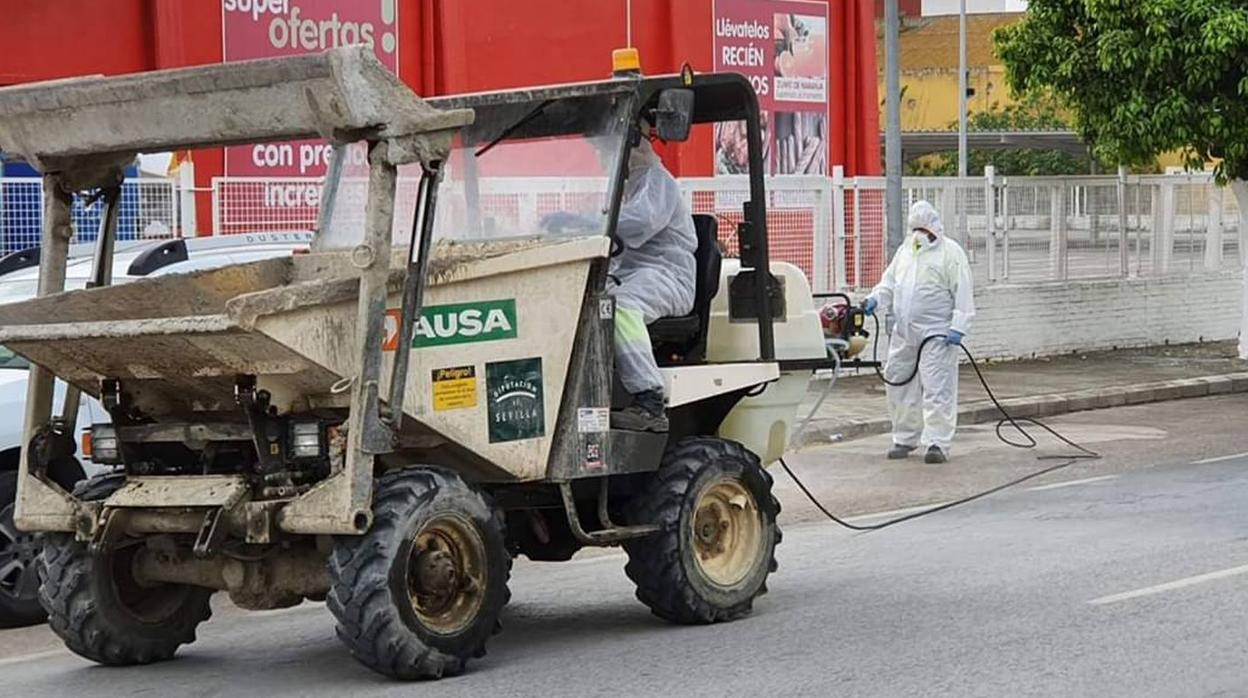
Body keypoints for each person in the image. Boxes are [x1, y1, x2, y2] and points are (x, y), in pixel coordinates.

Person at [544, 128, 697, 432]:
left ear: (632, 145)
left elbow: (640, 222)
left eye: (606, 150)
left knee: (620, 307)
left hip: (668, 276)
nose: (603, 157)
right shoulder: (628, 187)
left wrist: (584, 221)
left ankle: (650, 400)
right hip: (636, 274)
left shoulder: (657, 180)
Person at [863, 200, 975, 463]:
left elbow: (963, 292)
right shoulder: (905, 253)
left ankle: (937, 441)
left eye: (923, 229)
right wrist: (875, 300)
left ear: (935, 228)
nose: (919, 235)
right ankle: (904, 437)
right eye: (915, 229)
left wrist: (958, 326)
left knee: (937, 387)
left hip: (936, 334)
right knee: (898, 380)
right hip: (904, 333)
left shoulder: (950, 253)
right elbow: (889, 284)